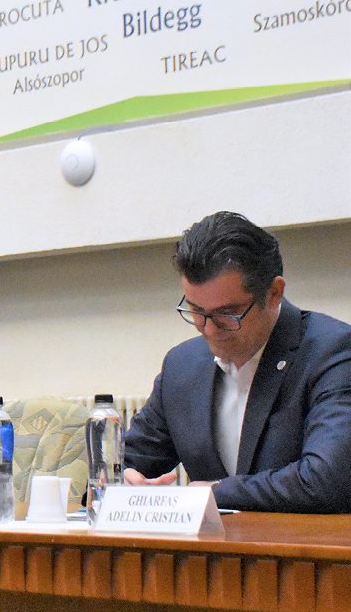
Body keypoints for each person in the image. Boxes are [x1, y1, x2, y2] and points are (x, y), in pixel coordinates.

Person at [123, 211, 351, 513]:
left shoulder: (333, 351)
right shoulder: (182, 364)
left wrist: (216, 493)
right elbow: (129, 461)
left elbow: (326, 481)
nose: (209, 330)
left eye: (227, 314)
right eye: (196, 311)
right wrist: (124, 480)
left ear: (274, 293)